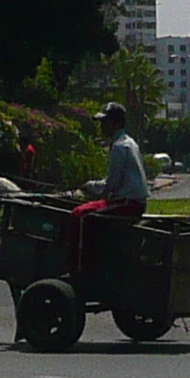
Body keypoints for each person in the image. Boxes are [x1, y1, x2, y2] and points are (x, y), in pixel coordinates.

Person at [70, 101, 148, 278]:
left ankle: (80, 268)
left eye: (105, 122)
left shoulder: (119, 147)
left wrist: (89, 186)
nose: (102, 126)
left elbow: (110, 185)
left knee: (79, 215)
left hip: (127, 203)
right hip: (131, 201)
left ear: (116, 123)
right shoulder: (129, 142)